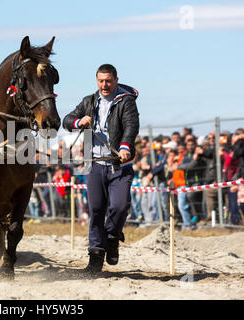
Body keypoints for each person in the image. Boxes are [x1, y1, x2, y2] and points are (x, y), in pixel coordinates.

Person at [63, 63, 139, 274]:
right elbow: (66, 120)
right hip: (94, 163)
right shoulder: (89, 101)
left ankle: (112, 237)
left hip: (119, 163)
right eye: (101, 81)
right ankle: (95, 256)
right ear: (97, 81)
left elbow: (131, 126)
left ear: (116, 80)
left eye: (108, 81)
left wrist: (125, 146)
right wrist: (79, 121)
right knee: (96, 210)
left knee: (120, 206)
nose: (104, 85)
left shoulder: (126, 101)